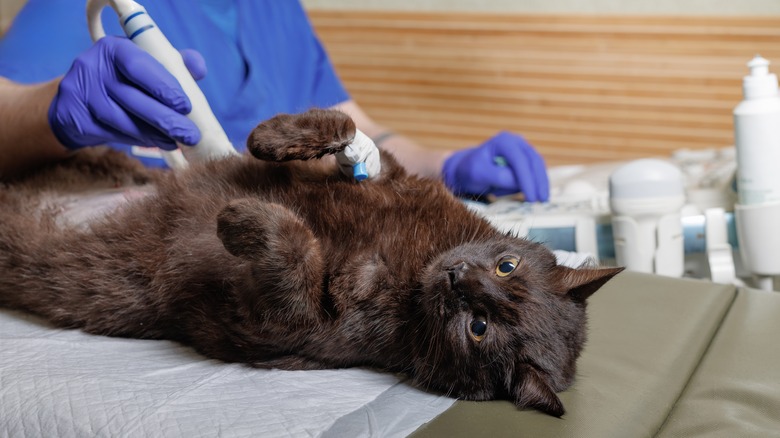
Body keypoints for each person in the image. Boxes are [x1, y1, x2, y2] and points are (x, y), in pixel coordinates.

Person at [0, 0, 549, 202]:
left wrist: (447, 165)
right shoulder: (70, 6)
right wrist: (55, 110)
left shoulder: (274, 9)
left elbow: (359, 134)